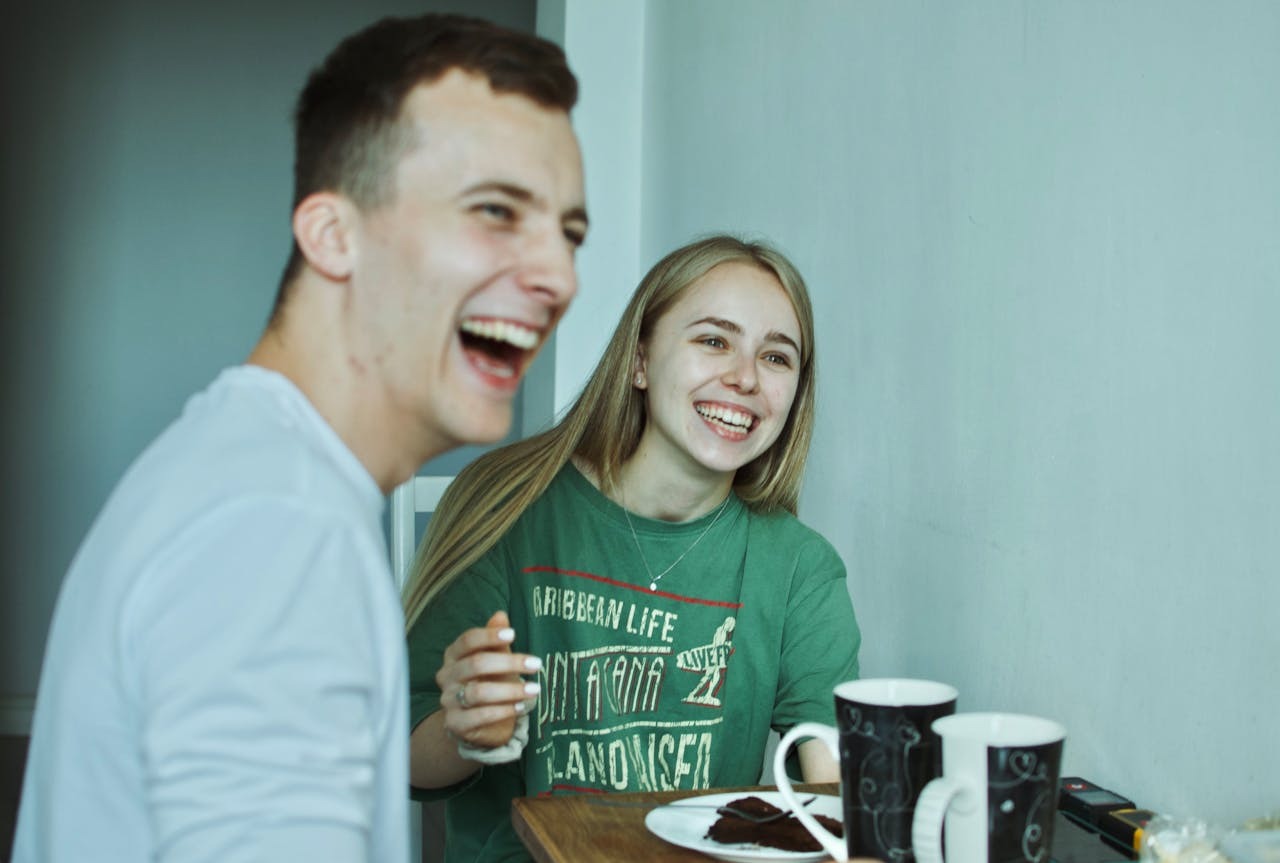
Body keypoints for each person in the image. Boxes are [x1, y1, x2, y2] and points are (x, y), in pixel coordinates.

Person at [12, 13, 587, 862]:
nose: (558, 277)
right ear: (332, 236)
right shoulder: (280, 529)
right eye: (496, 211)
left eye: (570, 234)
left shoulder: (252, 475)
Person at [403, 234, 861, 862]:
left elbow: (836, 790)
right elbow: (405, 756)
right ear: (640, 361)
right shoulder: (506, 505)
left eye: (777, 357)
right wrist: (467, 731)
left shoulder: (800, 568)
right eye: (714, 340)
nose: (745, 377)